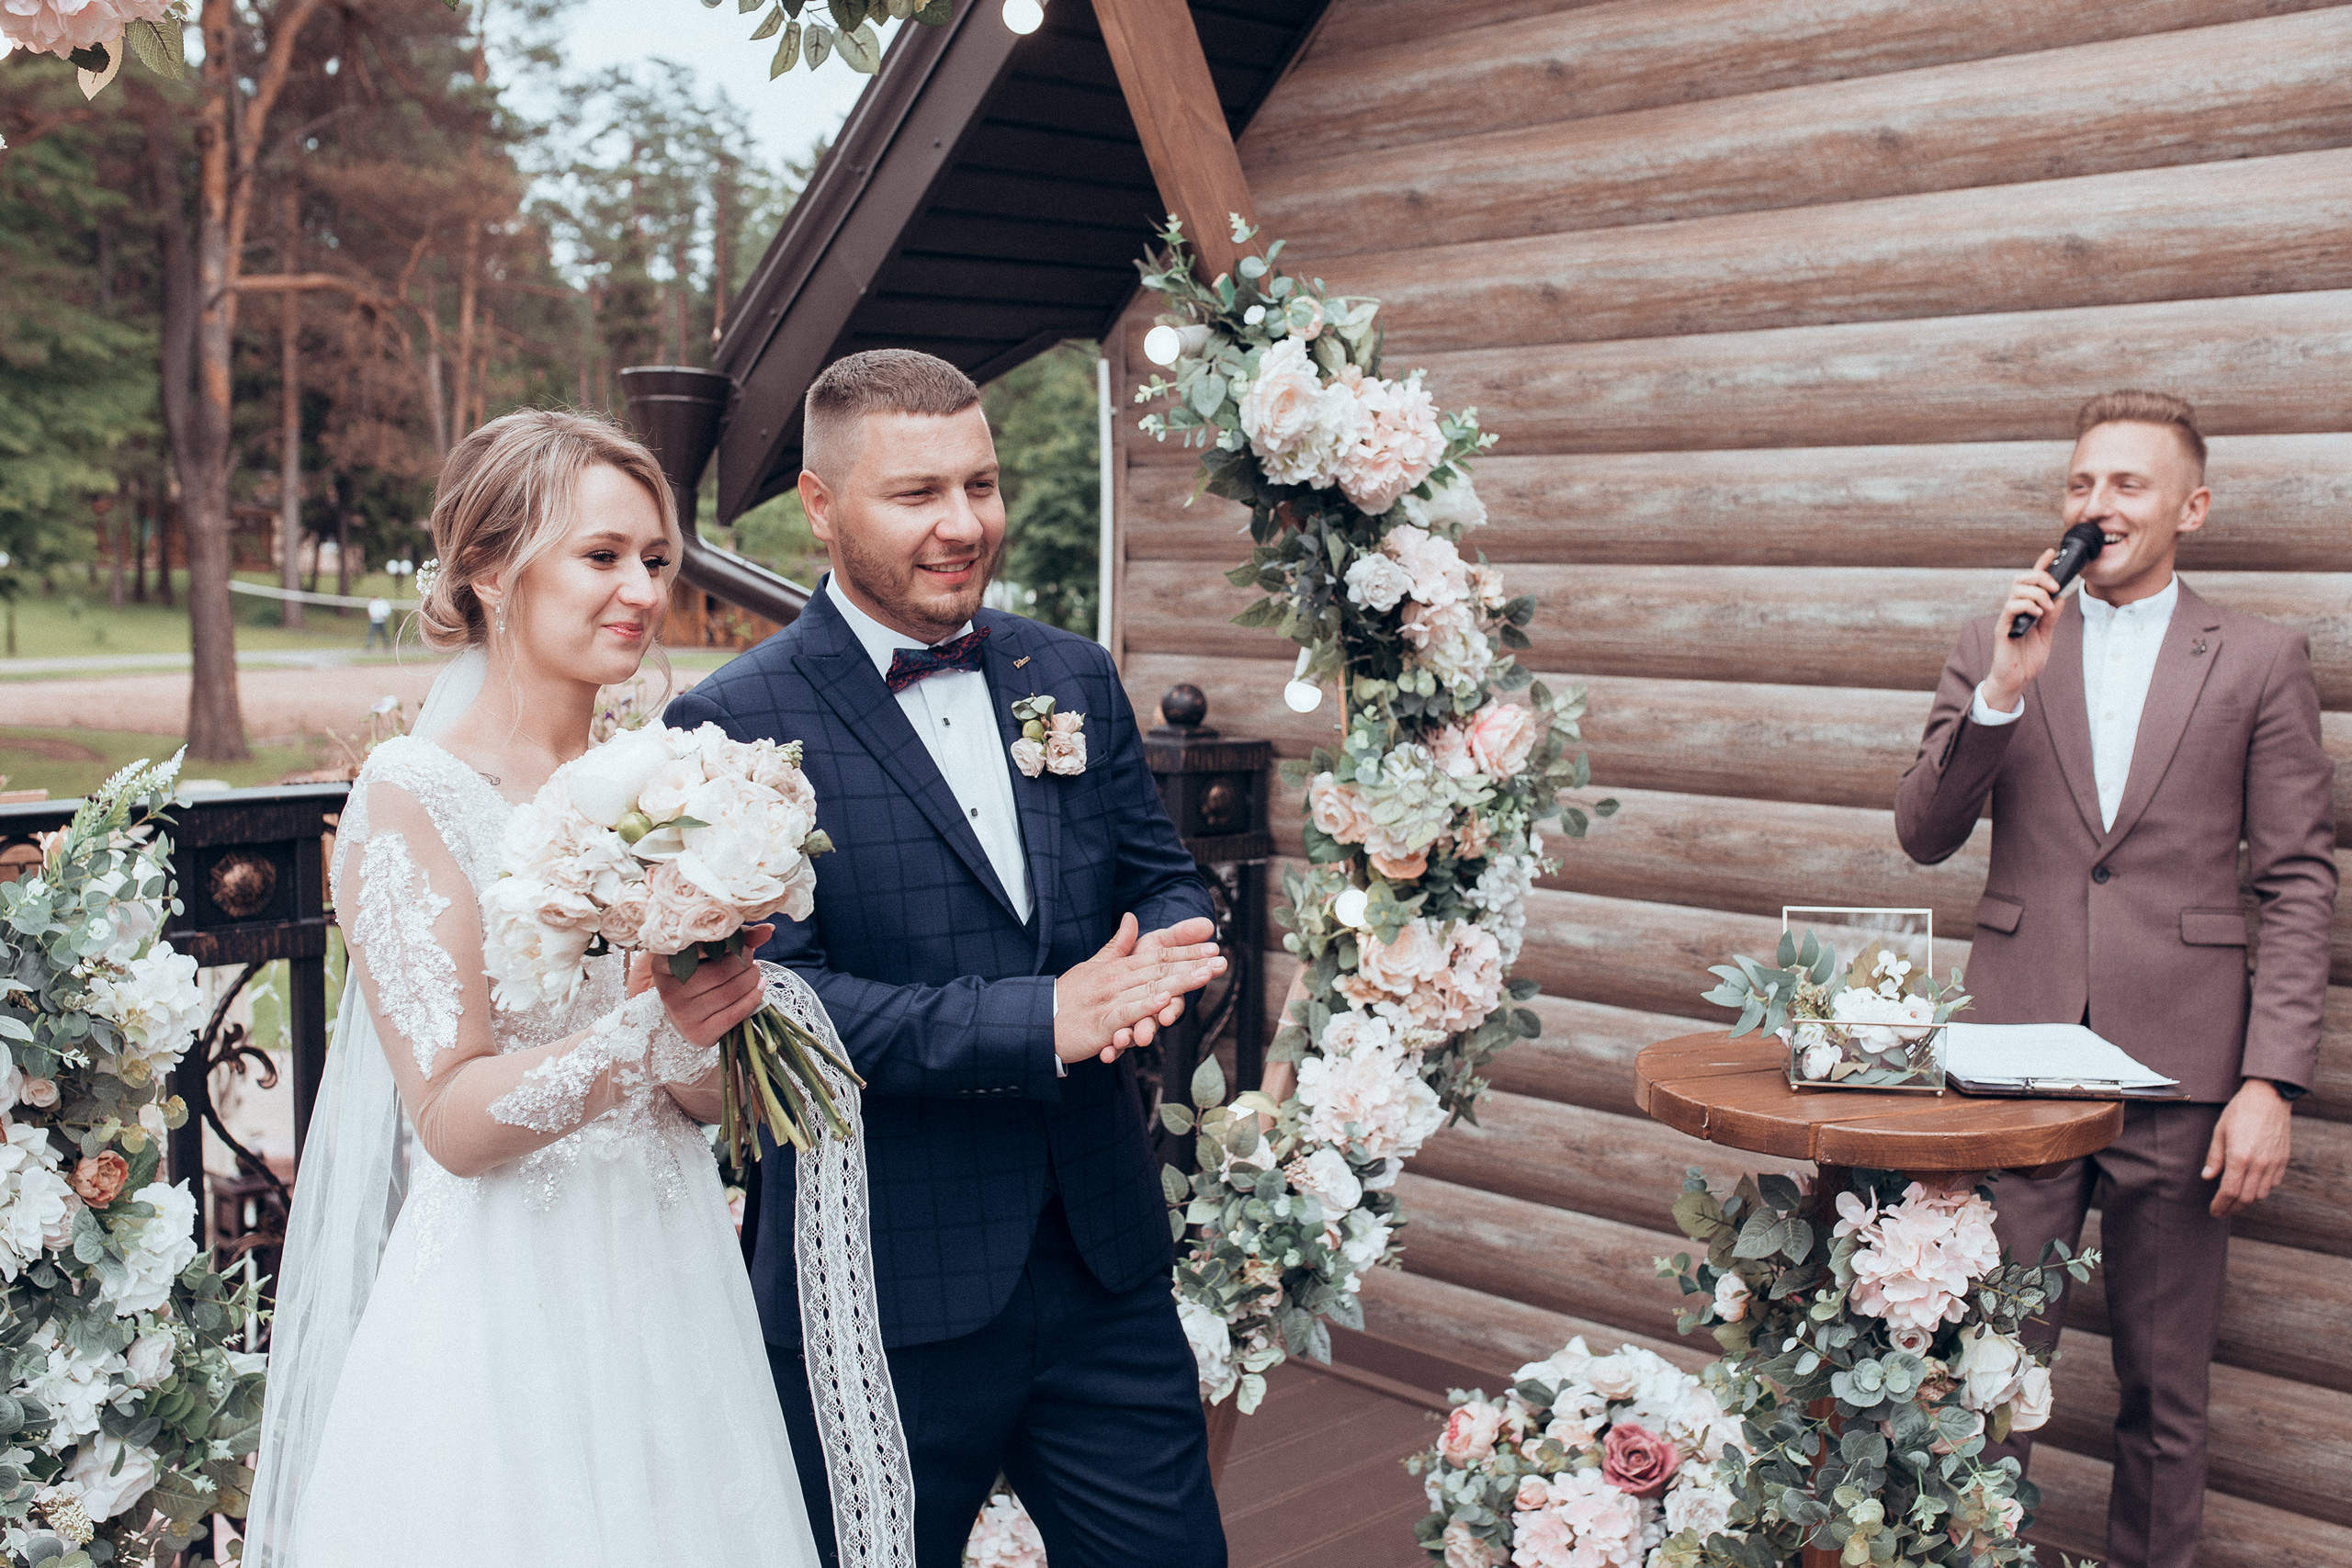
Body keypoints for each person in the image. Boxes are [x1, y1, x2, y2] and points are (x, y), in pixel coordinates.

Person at [247, 410, 956, 1565]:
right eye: (602, 555)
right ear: (486, 568)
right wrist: (642, 1029)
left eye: (656, 560)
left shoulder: (668, 782)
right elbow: (450, 1123)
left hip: (671, 1276)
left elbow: (698, 1101)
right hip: (504, 1304)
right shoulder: (409, 794)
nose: (641, 588)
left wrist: (709, 1008)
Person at [666, 349, 1231, 1568]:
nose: (963, 523)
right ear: (820, 505)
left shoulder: (1067, 670)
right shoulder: (728, 722)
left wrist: (1168, 963)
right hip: (878, 1285)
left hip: (1103, 1258)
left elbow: (1163, 876)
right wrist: (1043, 1019)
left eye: (980, 483)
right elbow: (776, 1002)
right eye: (917, 493)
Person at [1894, 390, 2336, 1568]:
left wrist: (2270, 1085)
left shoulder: (2257, 658)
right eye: (2082, 483)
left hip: (2182, 1085)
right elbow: (1923, 834)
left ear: (2189, 507)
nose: (2098, 506)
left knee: (2163, 1406)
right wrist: (2000, 692)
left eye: (2128, 485)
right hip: (2017, 1074)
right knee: (1982, 1383)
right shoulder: (1999, 643)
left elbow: (2296, 883)